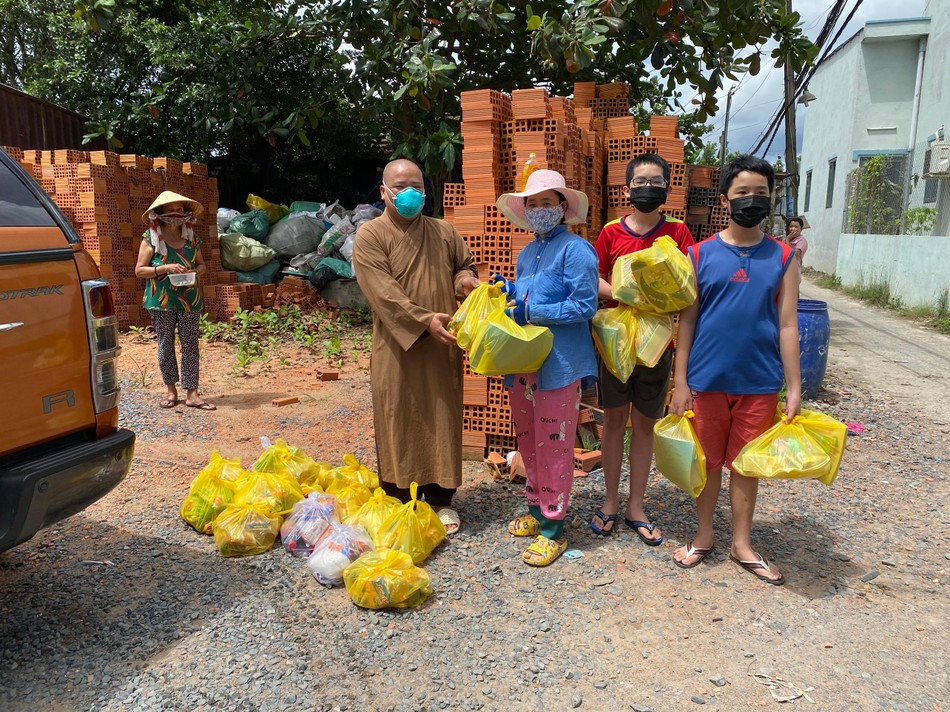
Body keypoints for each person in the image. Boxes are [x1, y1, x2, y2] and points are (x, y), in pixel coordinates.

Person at [670, 155, 801, 585]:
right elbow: (686, 321)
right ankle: (704, 535)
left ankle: (742, 543)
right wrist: (680, 381)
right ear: (725, 199)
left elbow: (788, 324)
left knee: (747, 465)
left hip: (759, 382)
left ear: (771, 198)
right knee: (707, 463)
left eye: (760, 193)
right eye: (742, 192)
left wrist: (794, 388)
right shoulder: (698, 255)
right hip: (706, 380)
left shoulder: (784, 257)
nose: (751, 200)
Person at [352, 159, 479, 535]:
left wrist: (466, 283)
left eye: (417, 186)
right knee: (399, 417)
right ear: (384, 192)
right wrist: (424, 320)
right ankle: (400, 498)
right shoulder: (371, 236)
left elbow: (462, 266)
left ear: (426, 192)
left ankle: (441, 500)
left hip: (442, 346)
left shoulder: (444, 231)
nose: (410, 193)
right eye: (401, 186)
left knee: (441, 416)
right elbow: (383, 293)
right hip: (397, 347)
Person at [494, 169, 599, 567]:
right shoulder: (526, 254)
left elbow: (584, 305)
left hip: (560, 365)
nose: (539, 209)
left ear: (562, 206)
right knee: (528, 439)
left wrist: (531, 310)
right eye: (532, 203)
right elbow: (524, 299)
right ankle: (537, 509)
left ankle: (554, 528)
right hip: (524, 362)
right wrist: (510, 292)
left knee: (554, 444)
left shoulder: (577, 250)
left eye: (546, 202)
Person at [590, 153, 694, 543]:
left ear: (667, 188)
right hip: (617, 341)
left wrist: (658, 299)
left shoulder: (678, 233)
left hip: (657, 343)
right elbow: (594, 278)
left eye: (655, 182)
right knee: (614, 420)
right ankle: (610, 501)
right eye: (640, 182)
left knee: (645, 423)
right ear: (627, 189)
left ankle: (636, 505)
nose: (647, 188)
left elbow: (687, 286)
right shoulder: (610, 232)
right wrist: (626, 293)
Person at [134, 190, 215, 411]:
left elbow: (202, 265)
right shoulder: (150, 238)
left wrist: (195, 272)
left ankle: (192, 394)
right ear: (159, 214)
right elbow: (139, 270)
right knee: (165, 344)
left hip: (190, 299)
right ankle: (171, 391)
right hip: (161, 301)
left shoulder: (192, 237)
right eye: (170, 210)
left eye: (179, 209)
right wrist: (165, 268)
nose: (176, 213)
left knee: (191, 344)